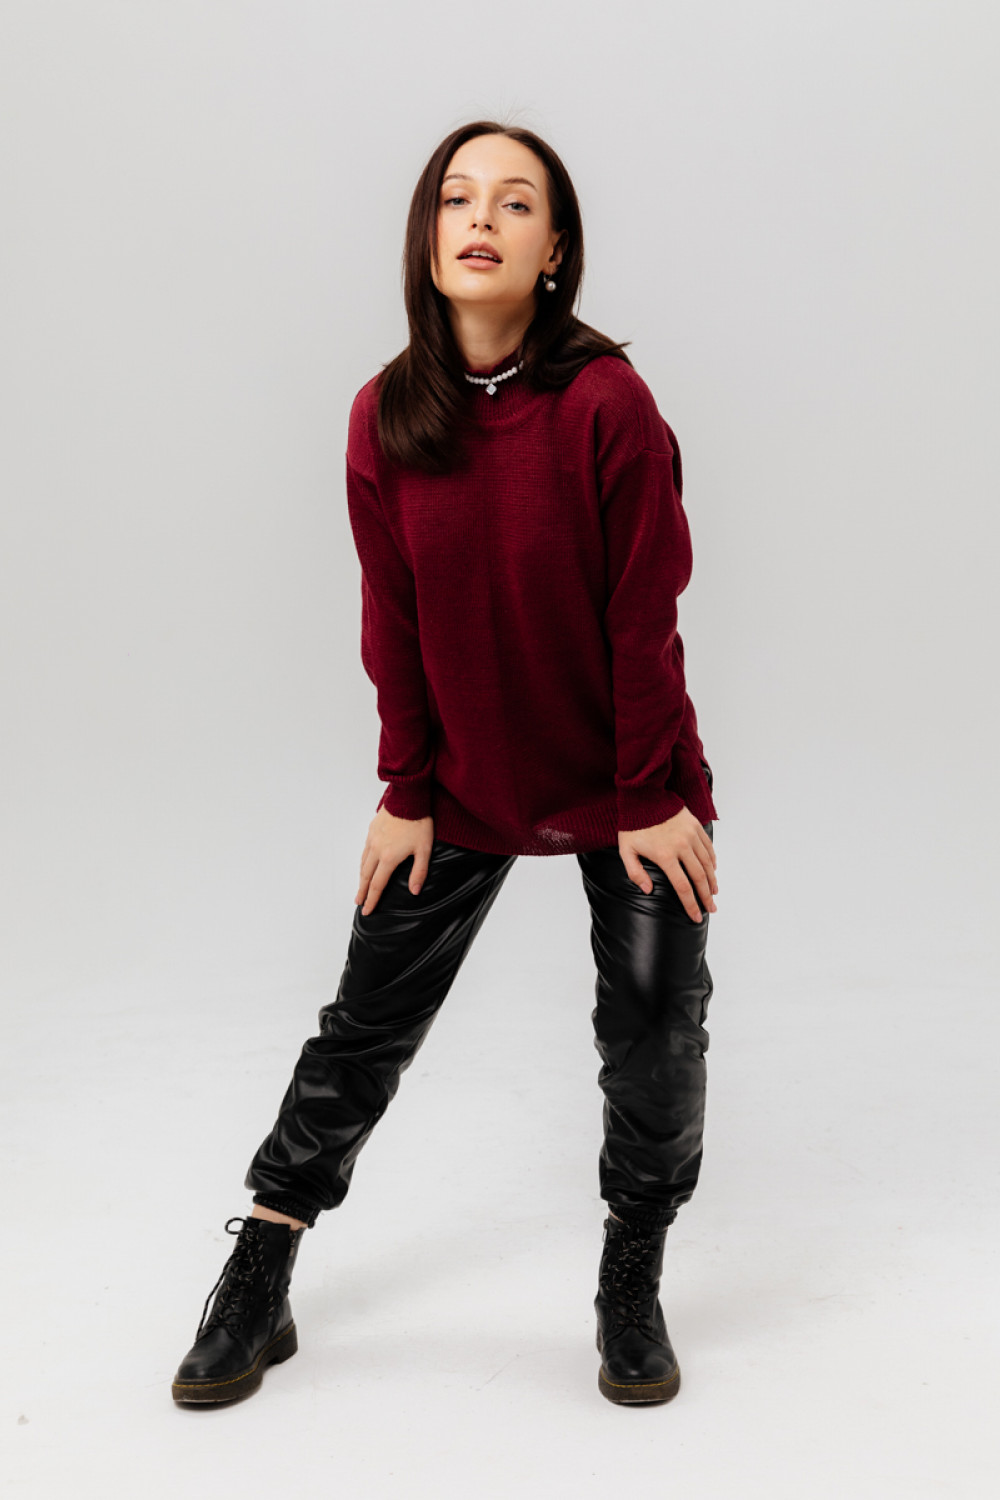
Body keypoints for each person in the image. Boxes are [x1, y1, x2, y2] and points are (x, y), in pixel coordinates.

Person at [171, 119, 720, 1411]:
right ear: (428, 240)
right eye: (458, 199)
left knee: (655, 1023)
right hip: (464, 778)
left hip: (625, 779)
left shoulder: (607, 404)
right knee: (365, 1022)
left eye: (516, 202)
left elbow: (645, 614)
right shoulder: (386, 414)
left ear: (554, 250)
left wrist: (651, 796)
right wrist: (407, 789)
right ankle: (262, 1262)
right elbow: (394, 619)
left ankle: (631, 1274)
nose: (483, 218)